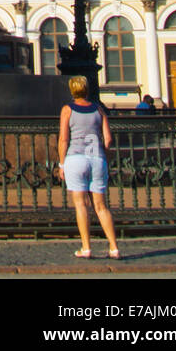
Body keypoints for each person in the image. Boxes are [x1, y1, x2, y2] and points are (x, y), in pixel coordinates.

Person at [58, 75, 120, 260]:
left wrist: (61, 163)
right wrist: (105, 159)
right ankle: (114, 247)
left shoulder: (68, 110)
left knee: (81, 204)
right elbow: (108, 139)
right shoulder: (99, 110)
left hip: (76, 158)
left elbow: (63, 139)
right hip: (97, 159)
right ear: (87, 89)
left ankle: (86, 247)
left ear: (72, 90)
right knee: (101, 206)